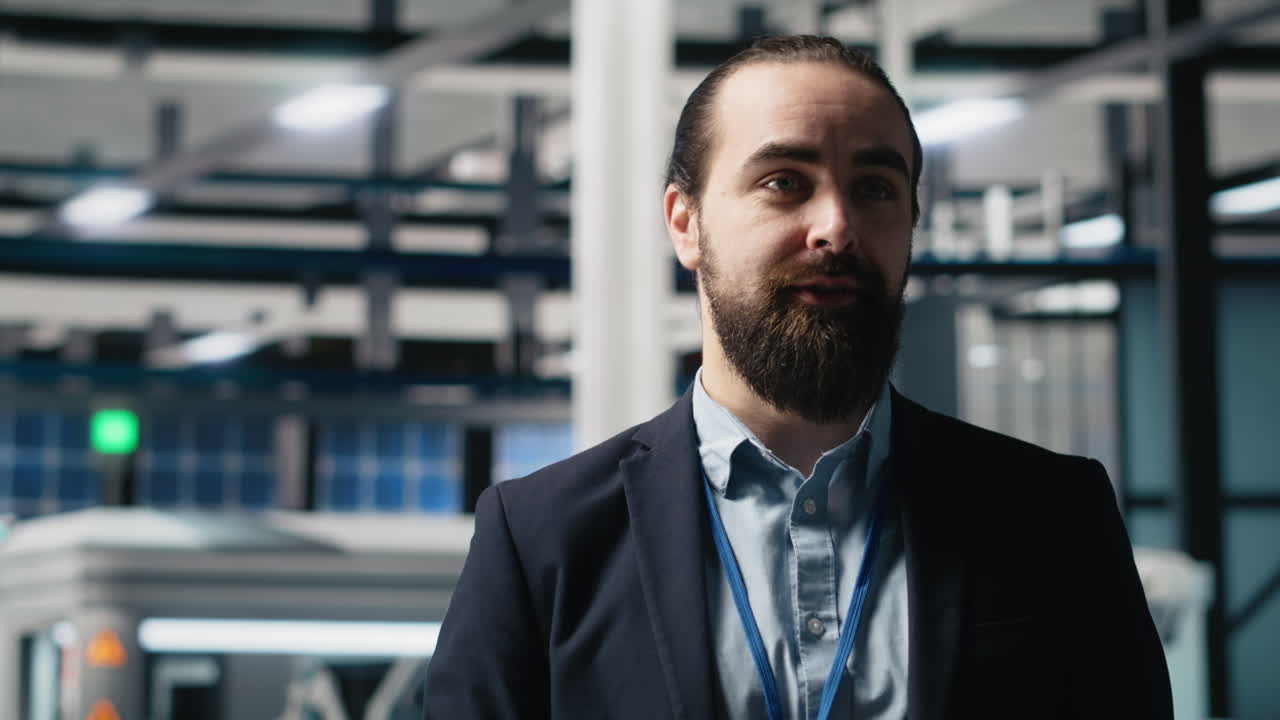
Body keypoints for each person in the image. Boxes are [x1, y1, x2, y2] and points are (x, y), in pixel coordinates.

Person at [422, 35, 1172, 720]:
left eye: (875, 189)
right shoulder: (543, 539)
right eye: (785, 182)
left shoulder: (1052, 516)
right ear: (686, 223)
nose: (837, 226)